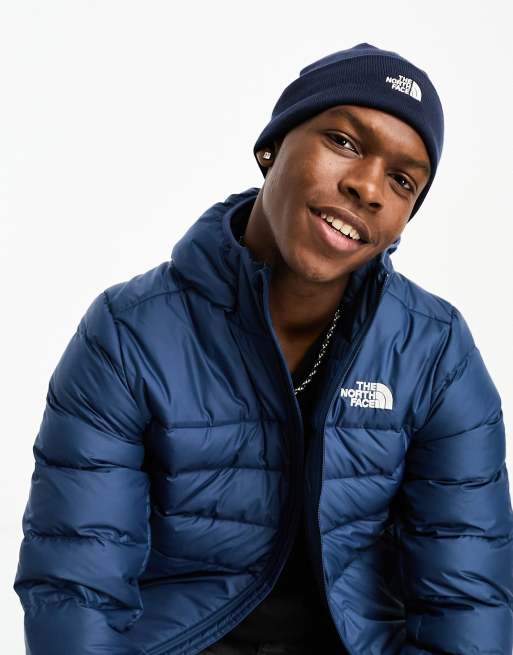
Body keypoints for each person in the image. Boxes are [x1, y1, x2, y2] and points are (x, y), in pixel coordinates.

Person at [13, 42, 513, 655]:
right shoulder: (128, 334)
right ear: (271, 146)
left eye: (402, 180)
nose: (367, 187)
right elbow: (76, 591)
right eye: (344, 142)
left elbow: (466, 603)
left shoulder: (435, 352)